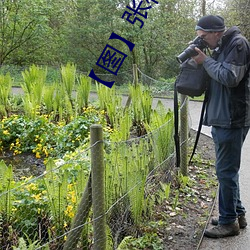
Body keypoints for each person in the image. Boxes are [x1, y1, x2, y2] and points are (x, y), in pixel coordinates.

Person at [192, 15, 250, 238]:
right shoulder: (221, 46)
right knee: (227, 171)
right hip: (222, 117)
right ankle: (237, 214)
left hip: (232, 118)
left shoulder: (238, 44)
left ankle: (228, 223)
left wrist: (205, 61)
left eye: (204, 37)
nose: (203, 41)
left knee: (225, 171)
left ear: (216, 32)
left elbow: (229, 77)